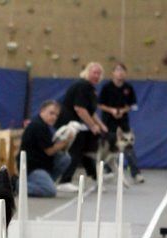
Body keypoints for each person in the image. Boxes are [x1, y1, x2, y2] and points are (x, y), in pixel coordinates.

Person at [55, 62, 109, 193]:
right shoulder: (82, 85)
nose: (96, 75)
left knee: (86, 151)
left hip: (79, 124)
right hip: (70, 123)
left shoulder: (91, 89)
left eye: (99, 73)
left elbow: (90, 111)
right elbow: (79, 109)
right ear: (87, 72)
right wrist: (92, 126)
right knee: (76, 150)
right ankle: (64, 181)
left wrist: (101, 125)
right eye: (94, 72)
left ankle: (95, 178)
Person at [98, 62, 144, 183]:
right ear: (113, 73)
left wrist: (122, 111)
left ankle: (136, 173)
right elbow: (100, 104)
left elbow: (131, 105)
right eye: (118, 70)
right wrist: (111, 110)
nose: (120, 72)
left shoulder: (128, 88)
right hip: (108, 123)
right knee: (107, 148)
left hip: (123, 123)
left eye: (123, 70)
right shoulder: (106, 87)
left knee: (129, 147)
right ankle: (108, 172)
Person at [18, 100, 72, 197]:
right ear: (42, 111)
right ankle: (17, 186)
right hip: (33, 168)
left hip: (43, 165)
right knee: (50, 191)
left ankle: (46, 181)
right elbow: (49, 151)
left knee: (64, 158)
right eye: (51, 113)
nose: (54, 117)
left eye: (56, 115)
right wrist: (66, 141)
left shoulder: (45, 126)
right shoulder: (38, 126)